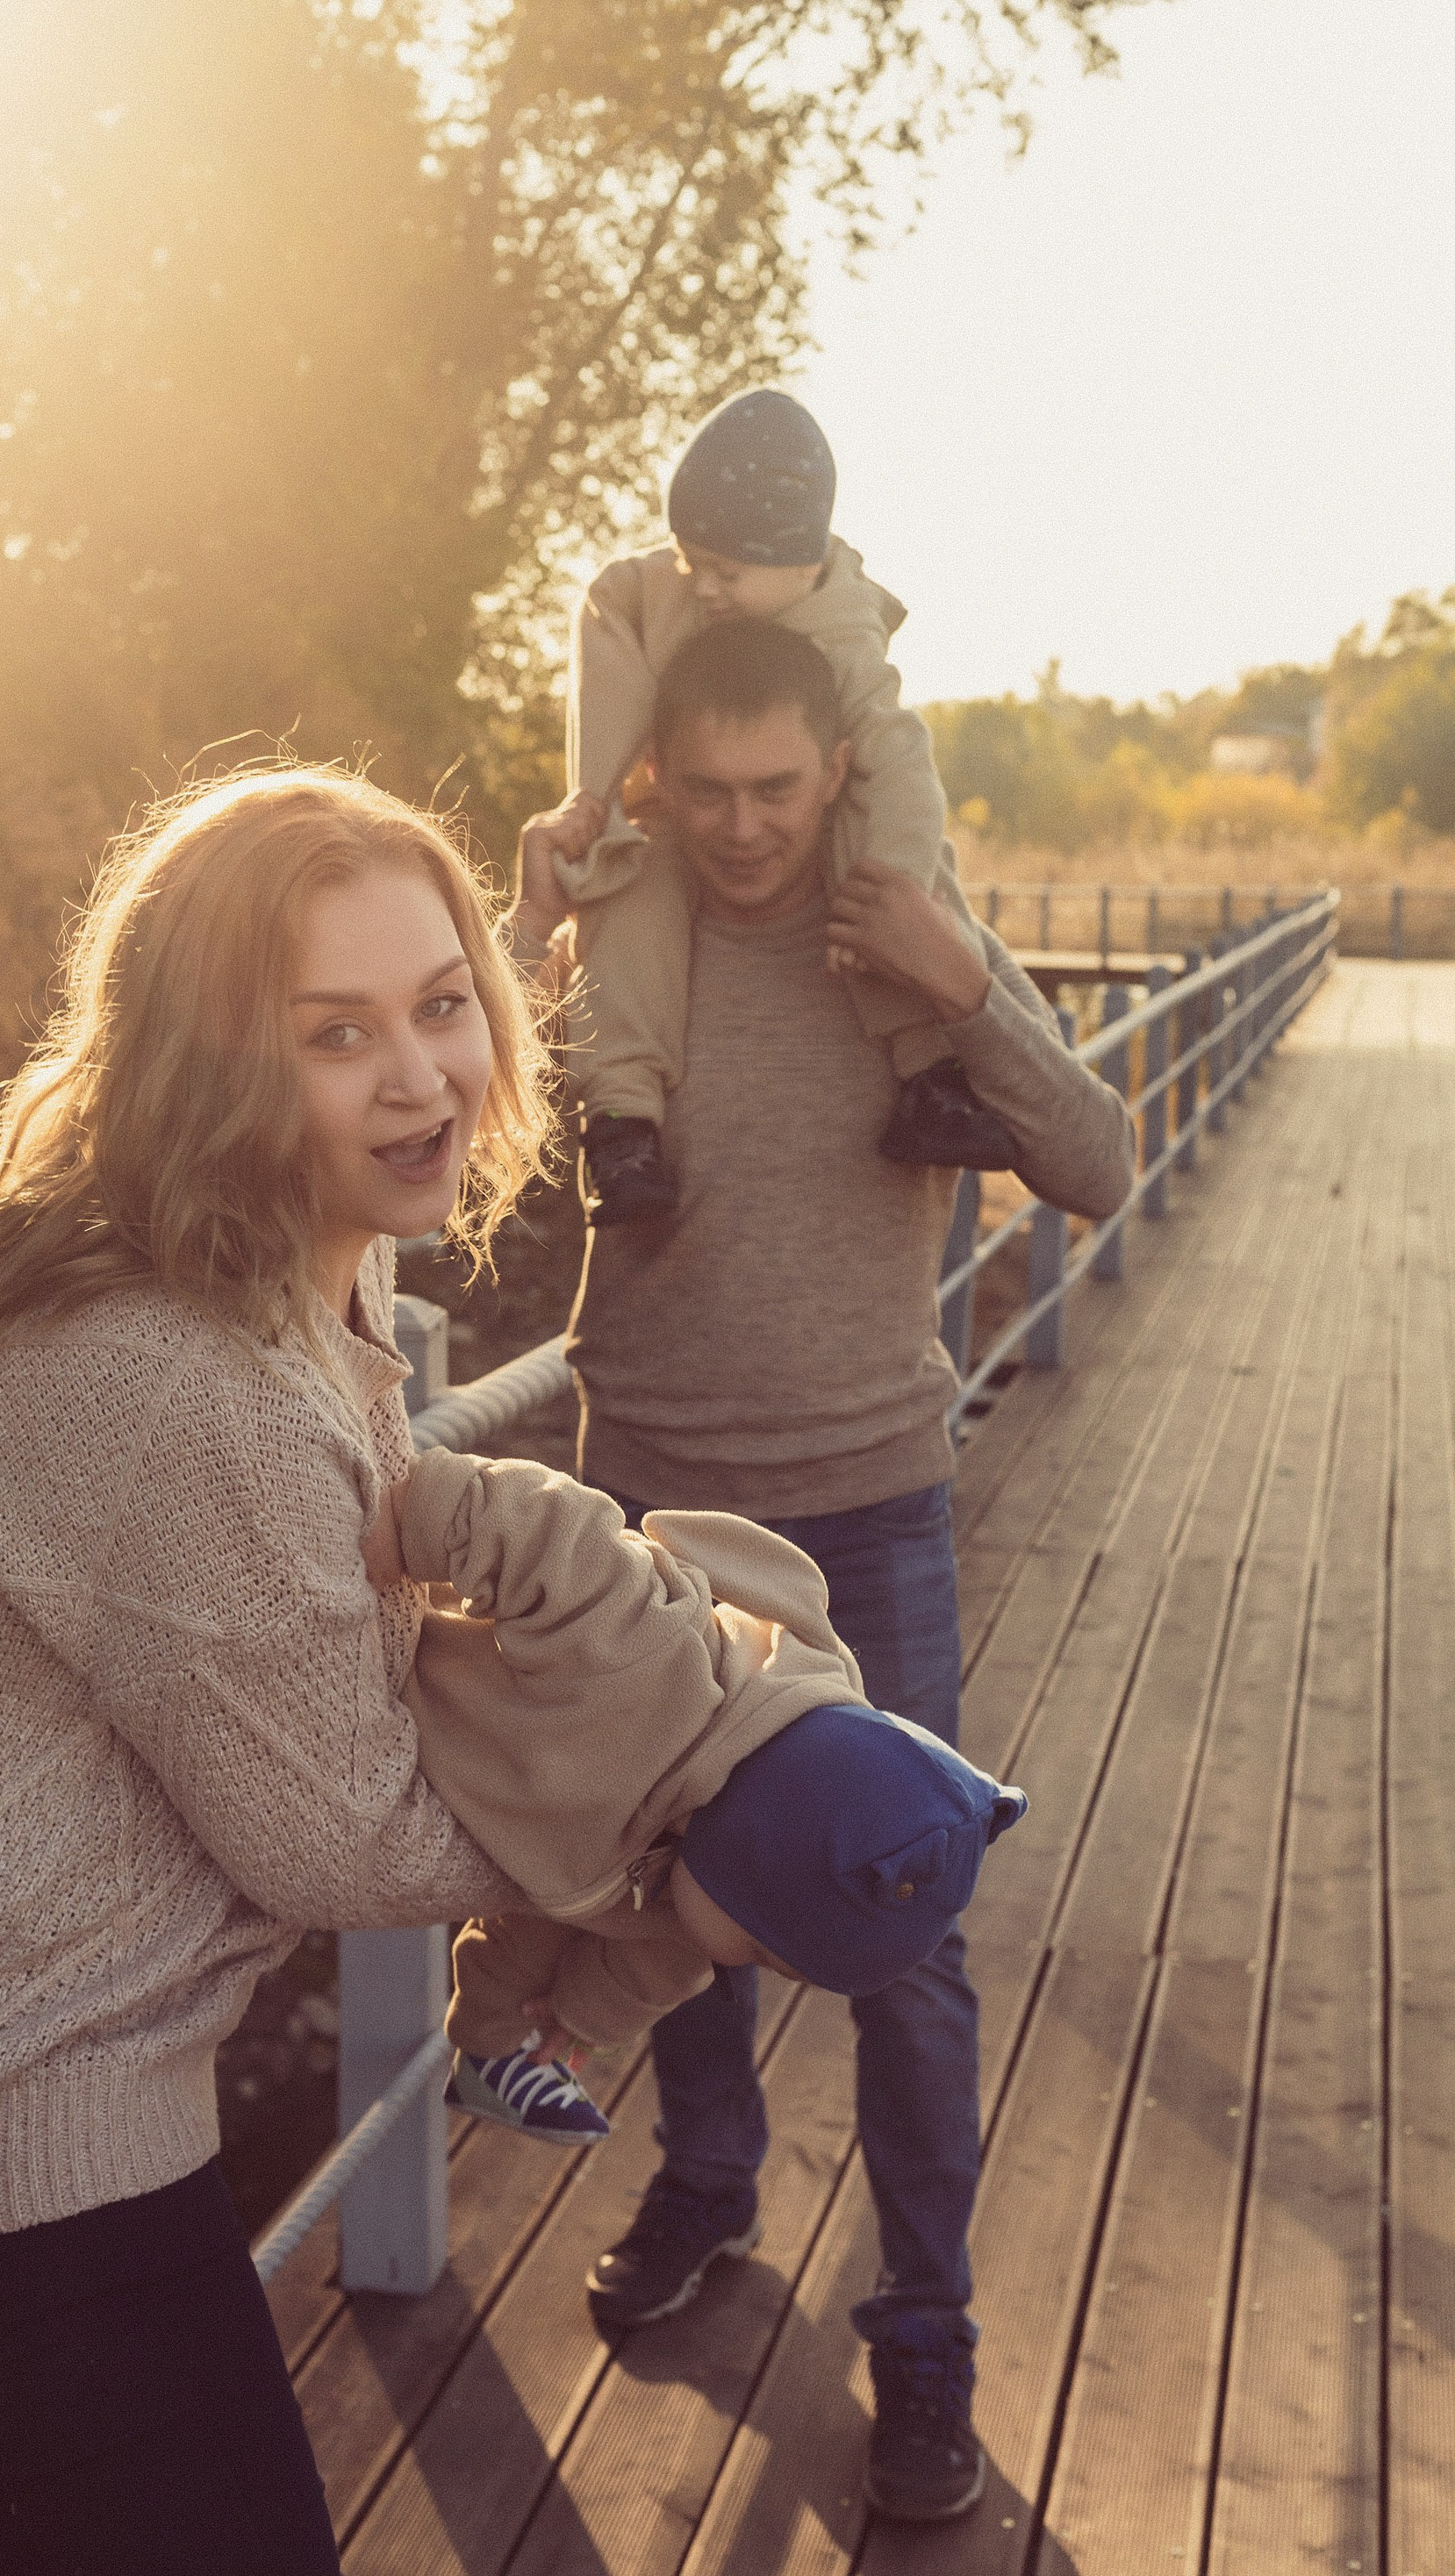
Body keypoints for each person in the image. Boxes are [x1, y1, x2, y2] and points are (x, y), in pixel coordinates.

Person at [0, 767, 563, 2574]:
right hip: (10, 2119)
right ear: (216, 1065)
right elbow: (344, 1844)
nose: (422, 1076)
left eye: (443, 1003)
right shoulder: (174, 1368)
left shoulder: (265, 1272)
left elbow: (290, 1644)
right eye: (334, 1034)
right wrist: (681, 1812)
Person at [505, 620, 1136, 2523]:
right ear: (654, 777)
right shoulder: (624, 928)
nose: (740, 826)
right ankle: (706, 2184)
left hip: (868, 1517)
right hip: (657, 1515)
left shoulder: (902, 927)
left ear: (832, 773)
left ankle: (924, 2344)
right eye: (701, 791)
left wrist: (978, 990)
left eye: (775, 789)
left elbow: (1097, 1162)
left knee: (908, 1949)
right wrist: (506, 930)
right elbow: (468, 1154)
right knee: (660, 1899)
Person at [362, 1445, 1025, 2144]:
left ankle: (488, 2057)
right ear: (758, 1851)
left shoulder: (709, 1884)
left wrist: (581, 2020)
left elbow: (653, 1967)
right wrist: (410, 1521)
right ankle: (495, 2050)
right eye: (768, 1953)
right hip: (425, 1687)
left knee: (596, 1935)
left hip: (562, 1836)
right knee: (622, 1916)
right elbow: (545, 1527)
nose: (748, 1967)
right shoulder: (641, 1653)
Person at [555, 386, 1017, 1224]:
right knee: (625, 899)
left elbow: (900, 761)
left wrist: (899, 887)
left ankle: (929, 1073)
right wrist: (594, 795)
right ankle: (622, 1124)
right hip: (664, 822)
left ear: (802, 564)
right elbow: (611, 600)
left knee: (876, 863)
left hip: (845, 840)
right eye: (691, 561)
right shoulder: (672, 585)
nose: (702, 588)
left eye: (725, 571)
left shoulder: (843, 632)